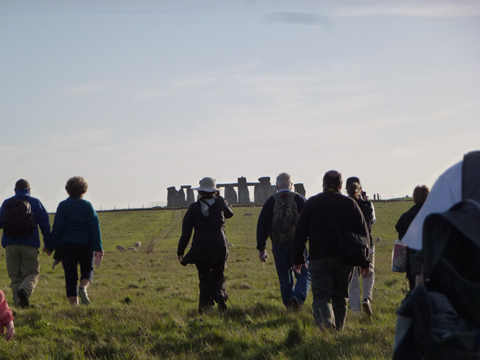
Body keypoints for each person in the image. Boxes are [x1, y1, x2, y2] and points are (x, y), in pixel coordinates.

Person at [294, 170, 369, 330]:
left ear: (323, 184)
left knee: (321, 295)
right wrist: (365, 261)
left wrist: (298, 259)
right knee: (340, 296)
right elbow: (364, 235)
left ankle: (326, 324)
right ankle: (338, 331)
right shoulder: (351, 204)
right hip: (345, 257)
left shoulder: (312, 203)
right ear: (341, 185)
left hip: (318, 256)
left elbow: (300, 232)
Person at [43, 176, 104, 306]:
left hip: (66, 245)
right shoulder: (87, 205)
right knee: (87, 268)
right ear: (84, 190)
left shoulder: (63, 205)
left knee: (70, 274)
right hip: (85, 244)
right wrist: (98, 247)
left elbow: (57, 228)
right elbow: (95, 227)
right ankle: (83, 288)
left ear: (67, 189)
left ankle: (74, 306)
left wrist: (49, 246)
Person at [177, 177, 234, 314]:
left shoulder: (194, 208)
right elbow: (230, 214)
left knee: (204, 277)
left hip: (201, 244)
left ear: (200, 192)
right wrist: (220, 199)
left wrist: (181, 251)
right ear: (215, 191)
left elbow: (186, 232)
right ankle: (219, 293)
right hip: (219, 243)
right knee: (219, 273)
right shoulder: (220, 203)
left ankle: (204, 308)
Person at [256, 172, 311, 310]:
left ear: (276, 186)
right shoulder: (299, 199)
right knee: (305, 274)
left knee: (284, 279)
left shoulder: (270, 201)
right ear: (291, 185)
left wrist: (261, 248)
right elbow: (309, 221)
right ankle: (297, 298)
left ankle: (289, 307)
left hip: (278, 244)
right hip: (297, 244)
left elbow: (262, 225)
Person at [0, 179, 51, 308]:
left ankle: (19, 306)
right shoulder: (35, 202)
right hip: (29, 245)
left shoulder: (7, 203)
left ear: (15, 190)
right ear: (29, 190)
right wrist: (48, 244)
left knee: (15, 277)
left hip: (10, 245)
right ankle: (25, 290)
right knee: (32, 273)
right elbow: (45, 225)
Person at [345, 177, 376, 316]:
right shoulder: (367, 205)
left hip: (349, 244)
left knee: (352, 282)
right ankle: (367, 298)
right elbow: (373, 220)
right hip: (367, 244)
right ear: (361, 189)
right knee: (368, 273)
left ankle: (356, 313)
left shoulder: (343, 205)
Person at [395, 185, 430, 291]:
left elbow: (399, 227)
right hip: (430, 255)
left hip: (412, 255)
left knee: (413, 287)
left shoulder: (408, 215)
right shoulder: (433, 213)